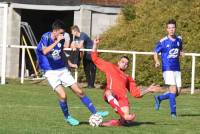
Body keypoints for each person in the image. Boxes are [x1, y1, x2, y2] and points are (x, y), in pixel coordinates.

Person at [36, 19, 108, 126]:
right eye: (61, 33)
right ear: (55, 31)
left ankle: (96, 113)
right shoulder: (46, 37)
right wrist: (57, 41)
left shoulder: (61, 39)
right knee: (63, 95)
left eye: (63, 33)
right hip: (50, 71)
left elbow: (61, 53)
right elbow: (45, 51)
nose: (63, 35)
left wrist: (70, 63)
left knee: (79, 91)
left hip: (61, 69)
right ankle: (67, 117)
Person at [91, 38, 160, 126]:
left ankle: (104, 124)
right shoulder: (110, 67)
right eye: (123, 62)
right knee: (108, 92)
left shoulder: (128, 78)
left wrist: (148, 89)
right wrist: (95, 45)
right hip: (112, 93)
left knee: (125, 122)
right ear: (118, 62)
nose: (124, 64)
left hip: (122, 98)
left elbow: (136, 94)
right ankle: (124, 115)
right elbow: (95, 58)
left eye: (126, 63)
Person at [153, 19, 184, 118]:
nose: (171, 30)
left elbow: (180, 50)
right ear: (167, 29)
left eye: (173, 27)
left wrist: (181, 53)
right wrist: (157, 61)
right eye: (169, 28)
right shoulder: (163, 41)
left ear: (175, 28)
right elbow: (155, 53)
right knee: (173, 89)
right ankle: (173, 113)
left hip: (177, 68)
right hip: (167, 68)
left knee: (177, 92)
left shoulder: (179, 39)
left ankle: (159, 98)